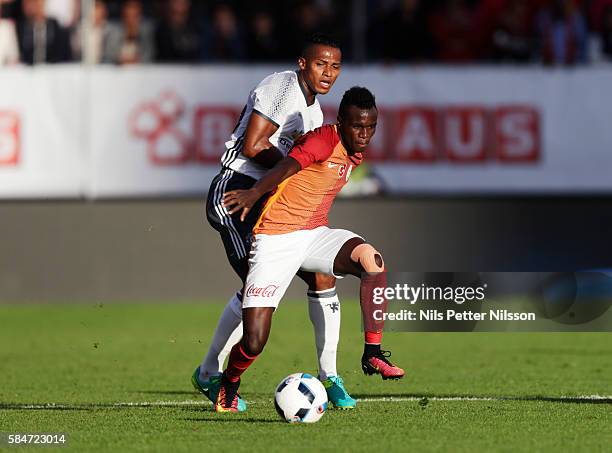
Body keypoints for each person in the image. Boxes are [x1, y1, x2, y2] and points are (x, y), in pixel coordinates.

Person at [215, 86, 405, 413]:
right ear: (341, 121)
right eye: (358, 126)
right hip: (276, 238)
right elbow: (286, 167)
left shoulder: (354, 151)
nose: (364, 134)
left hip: (314, 234)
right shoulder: (323, 140)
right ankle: (229, 382)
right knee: (255, 340)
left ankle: (372, 353)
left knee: (371, 260)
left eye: (371, 127)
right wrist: (254, 192)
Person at [193, 34, 357, 411]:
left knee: (322, 275)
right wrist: (294, 171)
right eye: (320, 64)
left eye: (335, 66)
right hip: (237, 193)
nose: (327, 72)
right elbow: (253, 146)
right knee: (257, 285)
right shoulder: (283, 87)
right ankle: (209, 374)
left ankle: (330, 377)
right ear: (303, 63)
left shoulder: (314, 116)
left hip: (273, 202)